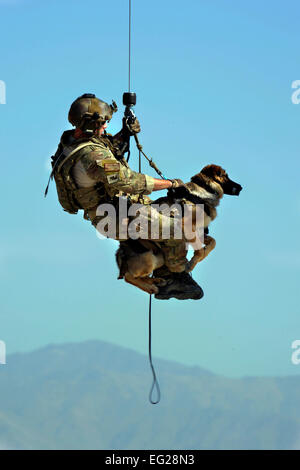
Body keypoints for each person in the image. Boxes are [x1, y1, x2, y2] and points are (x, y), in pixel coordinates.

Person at [51, 93, 203, 300]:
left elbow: (106, 150)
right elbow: (126, 180)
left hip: (117, 210)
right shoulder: (90, 155)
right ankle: (175, 278)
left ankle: (162, 268)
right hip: (116, 217)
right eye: (102, 123)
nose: (105, 127)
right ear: (88, 125)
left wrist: (124, 133)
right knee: (178, 231)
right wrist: (171, 184)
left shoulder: (72, 142)